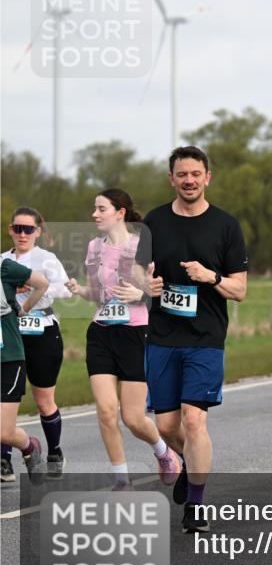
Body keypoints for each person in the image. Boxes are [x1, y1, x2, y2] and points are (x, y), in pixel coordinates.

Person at [139, 146, 248, 533]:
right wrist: (146, 284)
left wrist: (211, 277)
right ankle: (188, 465)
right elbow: (136, 276)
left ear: (207, 177)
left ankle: (197, 504)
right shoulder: (153, 222)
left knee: (193, 420)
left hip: (205, 337)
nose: (189, 180)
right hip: (163, 337)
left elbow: (239, 290)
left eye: (195, 174)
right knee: (168, 427)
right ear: (172, 178)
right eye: (181, 174)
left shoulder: (225, 226)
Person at [66, 190, 182, 490]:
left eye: (101, 208)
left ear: (120, 212)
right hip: (101, 332)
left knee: (133, 418)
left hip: (135, 333)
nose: (95, 214)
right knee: (106, 411)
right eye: (94, 208)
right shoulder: (93, 247)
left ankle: (163, 451)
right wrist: (79, 290)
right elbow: (97, 294)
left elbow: (155, 290)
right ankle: (121, 481)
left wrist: (141, 292)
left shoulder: (140, 245)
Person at [1, 208, 72, 481]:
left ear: (37, 232)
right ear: (10, 229)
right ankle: (4, 459)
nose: (22, 234)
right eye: (17, 228)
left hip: (41, 330)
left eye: (28, 229)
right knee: (7, 400)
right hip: (10, 333)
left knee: (44, 400)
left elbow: (64, 288)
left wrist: (30, 286)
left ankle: (54, 450)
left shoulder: (47, 259)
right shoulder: (3, 260)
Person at [0, 252, 49, 485]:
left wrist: (23, 309)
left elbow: (41, 283)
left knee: (4, 433)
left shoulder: (6, 268)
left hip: (8, 359)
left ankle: (29, 446)